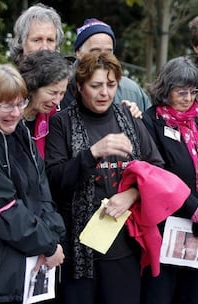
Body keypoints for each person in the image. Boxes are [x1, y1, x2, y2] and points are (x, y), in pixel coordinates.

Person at [44, 51, 164, 304]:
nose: (104, 93)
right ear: (79, 86)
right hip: (78, 250)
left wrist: (130, 195)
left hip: (124, 247)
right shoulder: (61, 122)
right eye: (96, 86)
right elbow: (54, 181)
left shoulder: (129, 119)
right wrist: (93, 152)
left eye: (111, 85)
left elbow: (156, 169)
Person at [141, 56, 198, 304]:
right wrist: (193, 207)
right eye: (181, 92)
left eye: (193, 92)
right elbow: (156, 175)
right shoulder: (151, 122)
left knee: (194, 296)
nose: (188, 98)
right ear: (166, 91)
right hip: (166, 228)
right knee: (160, 295)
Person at [0, 64, 65, 303]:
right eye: (6, 105)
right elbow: (5, 212)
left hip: (31, 261)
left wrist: (54, 236)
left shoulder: (21, 134)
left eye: (20, 103)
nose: (16, 113)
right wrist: (48, 245)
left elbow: (42, 189)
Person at [60, 18, 151, 111]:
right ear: (78, 52)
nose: (102, 57)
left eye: (108, 52)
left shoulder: (131, 91)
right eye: (95, 51)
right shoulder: (60, 87)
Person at [18, 50, 73, 158]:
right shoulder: (9, 114)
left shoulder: (52, 116)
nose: (57, 101)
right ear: (33, 85)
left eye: (62, 93)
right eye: (52, 93)